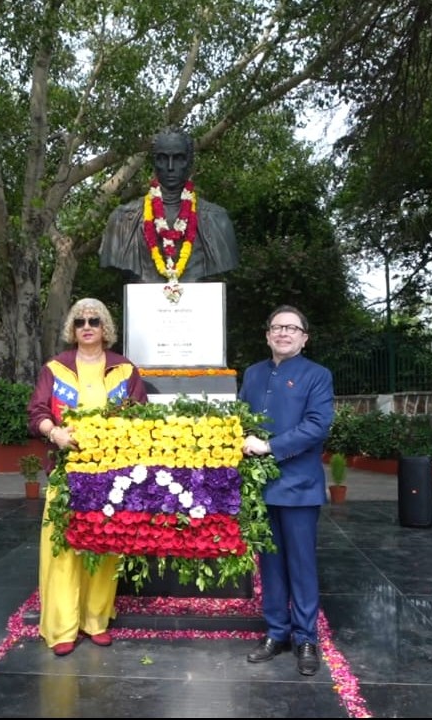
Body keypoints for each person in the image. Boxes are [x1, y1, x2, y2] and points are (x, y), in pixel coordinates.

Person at [26, 298, 148, 656]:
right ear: (72, 328)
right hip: (67, 471)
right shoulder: (55, 368)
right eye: (80, 321)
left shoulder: (125, 369)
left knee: (104, 545)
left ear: (105, 326)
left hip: (112, 473)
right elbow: (36, 412)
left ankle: (96, 620)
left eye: (94, 320)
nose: (87, 326)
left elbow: (141, 416)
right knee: (63, 548)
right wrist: (55, 433)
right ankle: (63, 626)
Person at [238, 305, 335, 677]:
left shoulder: (317, 376)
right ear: (267, 335)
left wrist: (270, 446)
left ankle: (306, 637)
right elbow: (242, 418)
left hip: (298, 486)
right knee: (271, 566)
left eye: (292, 328)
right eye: (277, 327)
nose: (283, 333)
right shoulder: (254, 373)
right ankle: (276, 632)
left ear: (304, 338)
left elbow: (317, 426)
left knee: (301, 564)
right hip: (261, 488)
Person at [99, 129, 239, 283]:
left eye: (179, 158)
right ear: (154, 162)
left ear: (190, 161)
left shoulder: (217, 219)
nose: (170, 167)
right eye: (163, 158)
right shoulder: (122, 220)